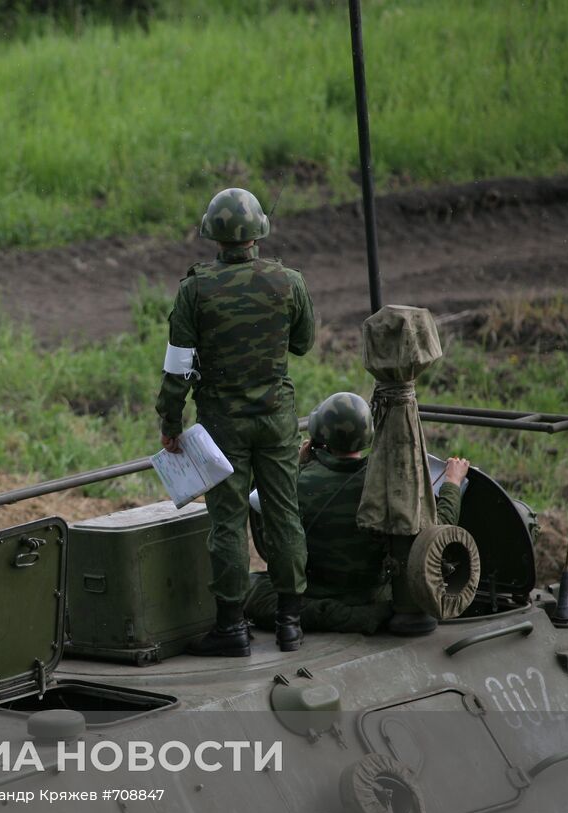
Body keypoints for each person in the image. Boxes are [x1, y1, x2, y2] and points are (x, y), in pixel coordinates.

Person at [156, 187, 315, 657]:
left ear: (213, 236)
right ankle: (290, 622)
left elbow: (178, 367)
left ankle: (232, 627)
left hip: (222, 424)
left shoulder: (195, 290)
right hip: (277, 419)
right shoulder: (289, 282)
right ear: (258, 233)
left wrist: (170, 421)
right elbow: (303, 345)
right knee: (285, 513)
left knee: (227, 522)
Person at [243, 391, 467, 635]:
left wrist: (298, 465)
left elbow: (272, 540)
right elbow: (435, 536)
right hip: (372, 595)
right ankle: (363, 617)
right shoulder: (389, 486)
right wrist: (452, 484)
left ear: (319, 435)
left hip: (311, 592)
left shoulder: (299, 483)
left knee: (253, 587)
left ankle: (331, 615)